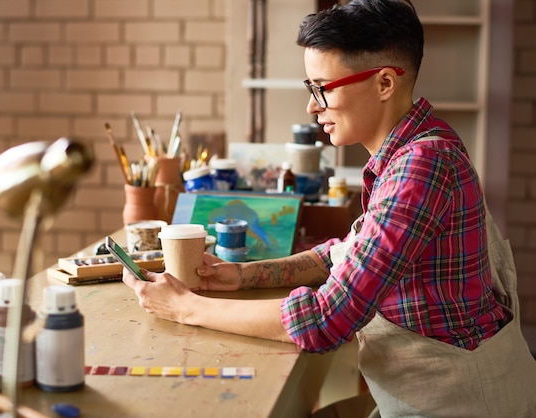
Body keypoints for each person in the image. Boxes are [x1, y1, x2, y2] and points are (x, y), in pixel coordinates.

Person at [123, 0, 536, 416]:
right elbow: (347, 251)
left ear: (385, 83)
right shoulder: (416, 145)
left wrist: (187, 307)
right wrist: (241, 275)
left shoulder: (421, 168)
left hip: (461, 403)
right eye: (310, 88)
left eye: (323, 87)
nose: (312, 106)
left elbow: (326, 321)